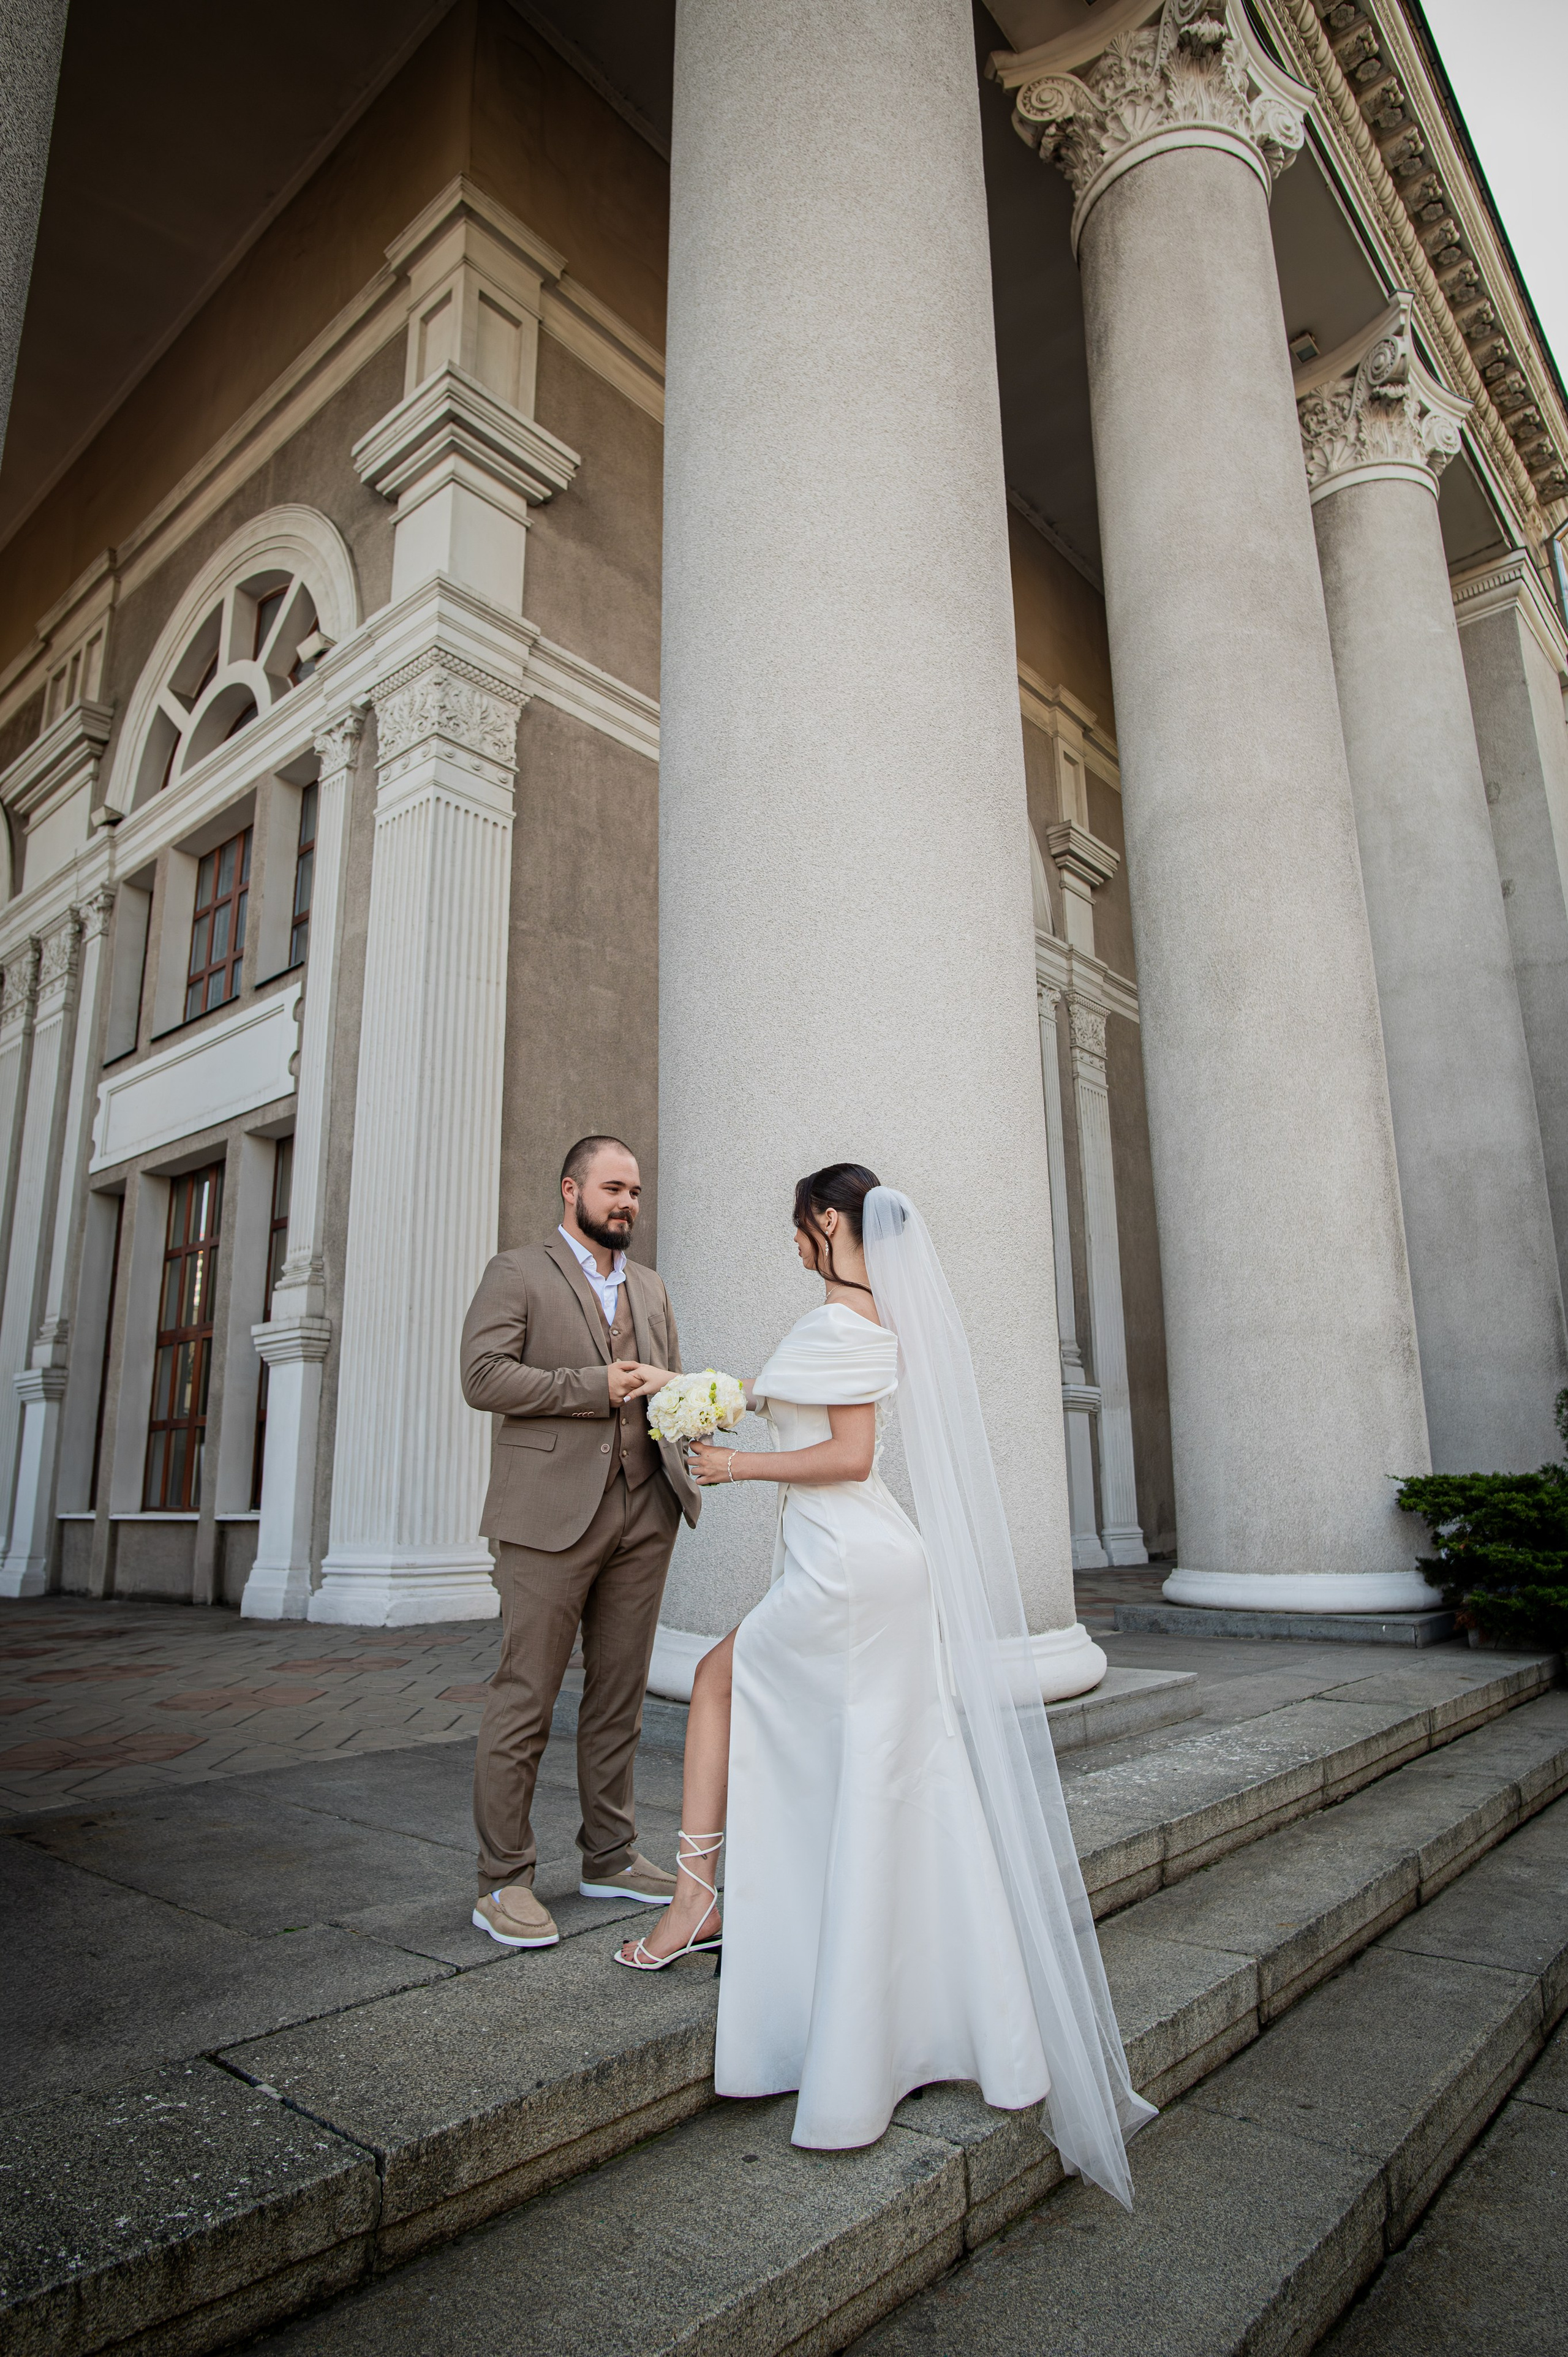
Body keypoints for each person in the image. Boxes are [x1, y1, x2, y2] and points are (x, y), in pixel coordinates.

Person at [612, 1163, 1153, 2208]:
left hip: (846, 1570)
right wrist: (680, 1390)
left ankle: (693, 1903)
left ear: (824, 1222)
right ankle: (926, 1992)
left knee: (725, 1681)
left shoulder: (837, 1325)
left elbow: (848, 1457)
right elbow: (796, 1409)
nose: (794, 1245)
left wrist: (732, 1468)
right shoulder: (867, 1320)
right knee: (896, 1774)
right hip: (870, 1569)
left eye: (796, 1228)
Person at [459, 1136, 699, 1950]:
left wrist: (696, 1417)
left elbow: (669, 1386)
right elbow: (483, 1378)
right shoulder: (517, 1273)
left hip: (644, 1511)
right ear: (572, 1190)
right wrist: (589, 1388)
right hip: (546, 1519)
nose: (628, 1202)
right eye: (613, 1188)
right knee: (526, 1696)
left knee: (619, 1698)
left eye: (635, 1190)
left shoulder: (652, 1288)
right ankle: (502, 1882)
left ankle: (611, 1854)